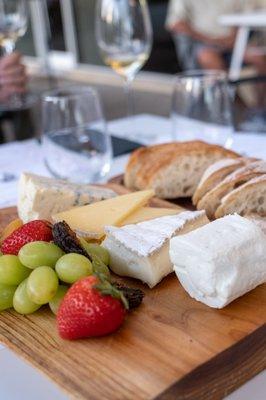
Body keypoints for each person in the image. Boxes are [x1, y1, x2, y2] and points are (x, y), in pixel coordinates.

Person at [166, 0, 266, 74]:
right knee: (209, 57)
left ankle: (260, 101)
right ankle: (229, 100)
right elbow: (175, 24)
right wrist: (209, 40)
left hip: (231, 41)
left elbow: (243, 14)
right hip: (202, 43)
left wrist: (232, 39)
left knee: (260, 57)